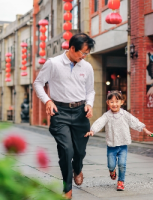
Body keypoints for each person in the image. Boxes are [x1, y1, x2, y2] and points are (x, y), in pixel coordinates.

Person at [33, 33, 95, 199]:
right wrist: (47, 101)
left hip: (81, 113)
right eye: (83, 53)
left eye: (86, 53)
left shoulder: (87, 67)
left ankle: (78, 168)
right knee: (66, 150)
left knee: (79, 152)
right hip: (60, 112)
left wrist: (89, 104)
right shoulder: (53, 63)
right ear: (72, 48)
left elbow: (90, 91)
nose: (84, 56)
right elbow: (38, 83)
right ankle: (67, 189)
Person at [85, 90, 153, 191]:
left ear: (122, 102)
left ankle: (121, 181)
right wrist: (92, 130)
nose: (114, 104)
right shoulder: (107, 115)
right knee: (111, 164)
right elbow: (99, 122)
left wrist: (145, 130)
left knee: (122, 164)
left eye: (117, 101)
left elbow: (135, 122)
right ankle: (112, 171)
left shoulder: (125, 114)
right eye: (111, 102)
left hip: (123, 145)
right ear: (108, 103)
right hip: (111, 146)